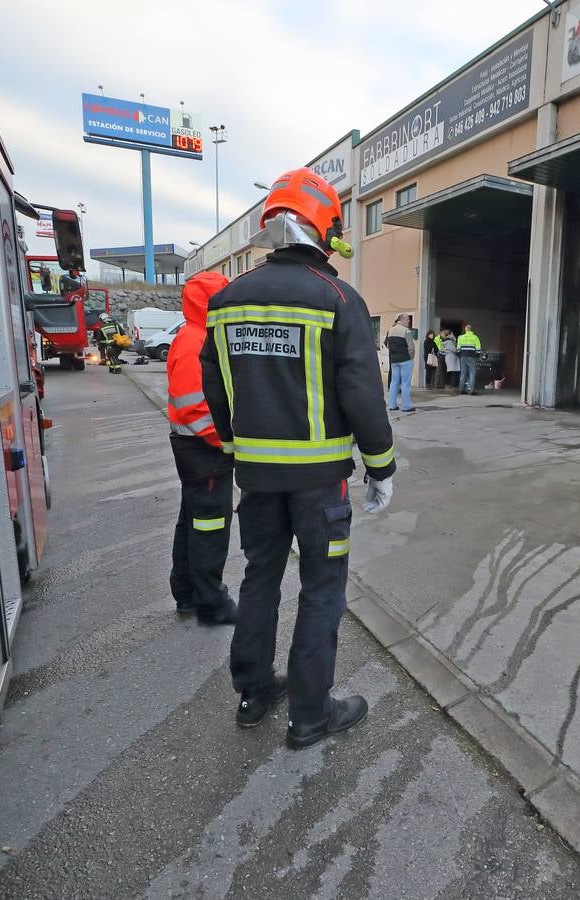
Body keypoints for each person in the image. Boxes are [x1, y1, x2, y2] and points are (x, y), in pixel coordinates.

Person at [200, 166, 396, 749]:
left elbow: (216, 390)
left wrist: (237, 451)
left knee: (261, 576)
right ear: (323, 225)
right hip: (320, 486)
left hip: (255, 480)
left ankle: (254, 693)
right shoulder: (338, 299)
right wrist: (381, 467)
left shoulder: (227, 300)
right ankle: (311, 715)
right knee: (321, 590)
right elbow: (363, 393)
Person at [167, 272, 238, 626]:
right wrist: (226, 441)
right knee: (210, 524)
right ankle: (211, 602)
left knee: (192, 521)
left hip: (192, 447)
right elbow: (196, 407)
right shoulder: (198, 342)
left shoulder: (192, 335)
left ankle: (187, 594)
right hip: (203, 448)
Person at [385, 314, 415, 412]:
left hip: (394, 361)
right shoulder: (407, 331)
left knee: (394, 383)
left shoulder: (390, 331)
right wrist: (411, 358)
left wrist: (393, 353)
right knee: (405, 384)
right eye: (407, 319)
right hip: (405, 360)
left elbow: (387, 344)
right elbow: (411, 347)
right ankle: (406, 406)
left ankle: (392, 405)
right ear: (402, 320)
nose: (409, 321)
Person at [457, 322, 482, 394]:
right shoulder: (475, 337)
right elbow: (478, 348)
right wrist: (477, 355)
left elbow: (458, 349)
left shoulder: (460, 337)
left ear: (465, 329)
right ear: (471, 330)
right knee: (472, 373)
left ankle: (461, 389)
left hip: (463, 357)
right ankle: (471, 391)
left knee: (463, 373)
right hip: (472, 357)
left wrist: (460, 355)